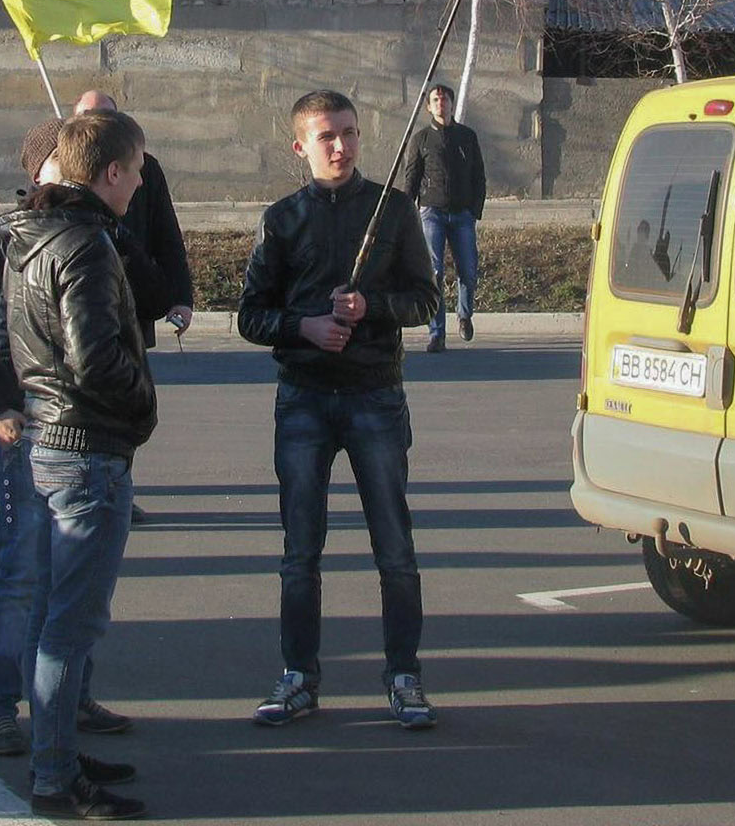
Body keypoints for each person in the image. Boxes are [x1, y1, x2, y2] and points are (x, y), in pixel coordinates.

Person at [0, 117, 141, 761]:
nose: (68, 176)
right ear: (39, 171)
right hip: (25, 426)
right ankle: (0, 707)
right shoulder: (0, 238)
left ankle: (66, 703)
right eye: (57, 163)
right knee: (23, 573)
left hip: (75, 428)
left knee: (70, 587)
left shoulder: (93, 234)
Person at [238, 89, 441, 730]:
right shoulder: (281, 219)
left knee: (394, 549)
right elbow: (249, 315)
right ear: (301, 146)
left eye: (350, 133)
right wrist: (304, 327)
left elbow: (425, 300)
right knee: (301, 551)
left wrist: (370, 309)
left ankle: (404, 675)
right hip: (303, 400)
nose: (341, 146)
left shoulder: (395, 209)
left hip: (375, 394)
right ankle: (298, 675)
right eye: (326, 136)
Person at [7, 111, 155, 820]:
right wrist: (142, 405)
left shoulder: (36, 234)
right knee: (71, 627)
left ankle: (55, 754)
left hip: (53, 439)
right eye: (139, 164)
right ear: (112, 173)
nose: (144, 177)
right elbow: (94, 358)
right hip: (85, 448)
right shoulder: (85, 244)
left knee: (55, 619)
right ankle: (54, 779)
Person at [74, 88, 193, 527]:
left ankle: (119, 484)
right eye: (90, 118)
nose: (100, 125)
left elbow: (167, 233)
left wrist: (179, 296)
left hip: (133, 300)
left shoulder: (146, 169)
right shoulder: (59, 172)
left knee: (124, 396)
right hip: (80, 308)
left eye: (108, 117)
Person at [400, 82, 486, 353]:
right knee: (434, 272)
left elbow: (478, 175)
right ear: (429, 107)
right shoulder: (422, 139)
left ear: (451, 103)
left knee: (468, 271)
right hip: (432, 213)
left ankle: (464, 315)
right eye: (436, 99)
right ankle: (437, 333)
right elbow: (412, 177)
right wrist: (406, 212)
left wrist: (475, 209)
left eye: (445, 98)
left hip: (462, 215)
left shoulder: (467, 136)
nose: (441, 103)